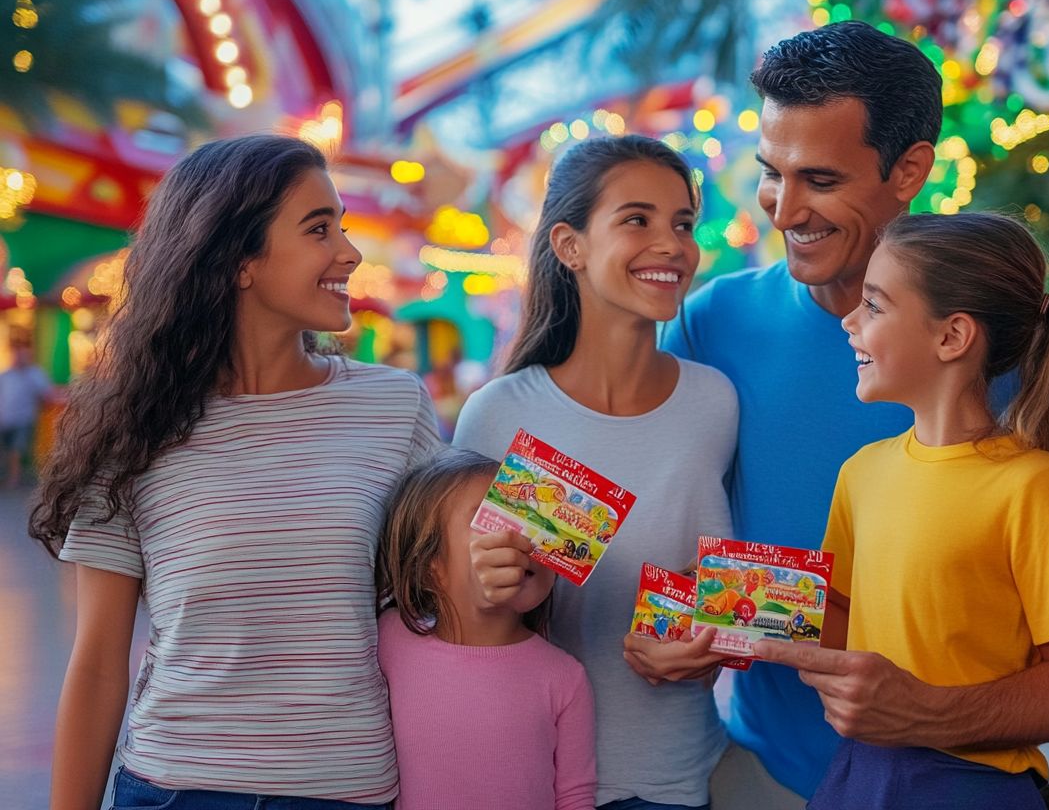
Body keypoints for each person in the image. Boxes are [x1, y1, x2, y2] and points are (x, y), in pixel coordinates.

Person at [663, 21, 1049, 806]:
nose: (784, 209)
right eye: (771, 172)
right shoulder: (709, 324)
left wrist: (936, 715)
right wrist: (672, 619)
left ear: (910, 170)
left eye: (821, 180)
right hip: (759, 773)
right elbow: (819, 599)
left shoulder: (1039, 353)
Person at [29, 135, 441, 810]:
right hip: (175, 787)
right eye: (318, 229)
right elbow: (99, 664)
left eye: (341, 224)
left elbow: (444, 600)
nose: (349, 251)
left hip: (346, 792)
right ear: (238, 260)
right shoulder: (133, 427)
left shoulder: (394, 407)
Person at [759, 212, 1049, 809]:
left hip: (975, 788)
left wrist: (924, 712)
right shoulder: (861, 473)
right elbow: (835, 617)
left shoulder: (1038, 488)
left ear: (952, 337)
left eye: (874, 305)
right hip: (859, 776)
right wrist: (714, 604)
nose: (848, 320)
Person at [453, 135, 738, 810]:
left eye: (683, 224)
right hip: (536, 776)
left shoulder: (714, 402)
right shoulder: (497, 417)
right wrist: (488, 583)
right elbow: (461, 618)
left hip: (679, 772)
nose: (671, 244)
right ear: (570, 245)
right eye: (636, 219)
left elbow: (717, 583)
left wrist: (707, 641)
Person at [376, 448, 596, 810]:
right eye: (490, 518)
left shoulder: (565, 676)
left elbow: (575, 796)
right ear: (431, 566)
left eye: (528, 517)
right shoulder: (388, 641)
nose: (521, 536)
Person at [0, 343, 52, 488]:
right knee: (7, 450)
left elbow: (46, 395)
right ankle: (13, 476)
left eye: (23, 355)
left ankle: (14, 479)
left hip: (24, 419)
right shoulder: (5, 375)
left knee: (17, 450)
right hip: (5, 419)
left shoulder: (35, 374)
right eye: (18, 355)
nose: (20, 358)